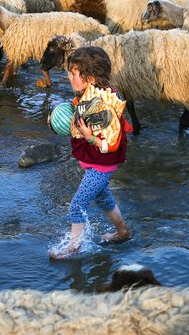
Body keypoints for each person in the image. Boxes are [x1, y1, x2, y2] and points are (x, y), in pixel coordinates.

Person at [49, 46, 133, 259]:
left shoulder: (104, 106)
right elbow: (77, 110)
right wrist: (58, 119)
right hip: (95, 163)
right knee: (103, 197)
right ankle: (123, 232)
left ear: (91, 78)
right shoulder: (89, 95)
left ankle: (73, 247)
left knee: (77, 205)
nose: (69, 76)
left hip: (101, 164)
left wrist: (89, 136)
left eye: (73, 73)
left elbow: (110, 140)